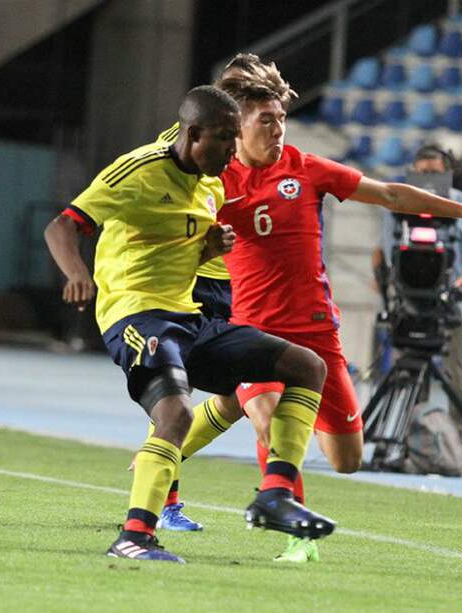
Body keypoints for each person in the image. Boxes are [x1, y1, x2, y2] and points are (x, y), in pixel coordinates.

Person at [164, 66, 462, 562]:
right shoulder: (218, 181)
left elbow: (391, 194)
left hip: (316, 333)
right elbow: (176, 225)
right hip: (253, 329)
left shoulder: (307, 169)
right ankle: (296, 535)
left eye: (282, 118)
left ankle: (172, 445)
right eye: (266, 120)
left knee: (347, 458)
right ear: (239, 127)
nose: (278, 128)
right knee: (268, 419)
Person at [44, 85, 335, 564]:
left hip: (188, 317)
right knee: (175, 414)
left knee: (306, 366)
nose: (232, 151)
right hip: (135, 314)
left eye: (235, 138)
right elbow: (62, 226)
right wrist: (78, 273)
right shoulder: (138, 171)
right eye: (224, 138)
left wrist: (209, 249)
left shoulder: (212, 186)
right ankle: (135, 536)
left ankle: (276, 494)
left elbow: (179, 249)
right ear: (194, 134)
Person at [146, 53, 274, 533]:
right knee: (177, 389)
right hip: (191, 278)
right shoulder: (185, 143)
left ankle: (158, 458)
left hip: (233, 283)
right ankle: (164, 500)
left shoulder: (253, 145)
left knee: (234, 399)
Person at [374, 143, 462, 477]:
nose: (428, 178)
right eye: (422, 172)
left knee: (459, 381)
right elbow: (382, 252)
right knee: (410, 382)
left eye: (434, 172)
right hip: (409, 305)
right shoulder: (396, 208)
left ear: (448, 173)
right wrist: (385, 287)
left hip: (455, 306)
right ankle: (411, 449)